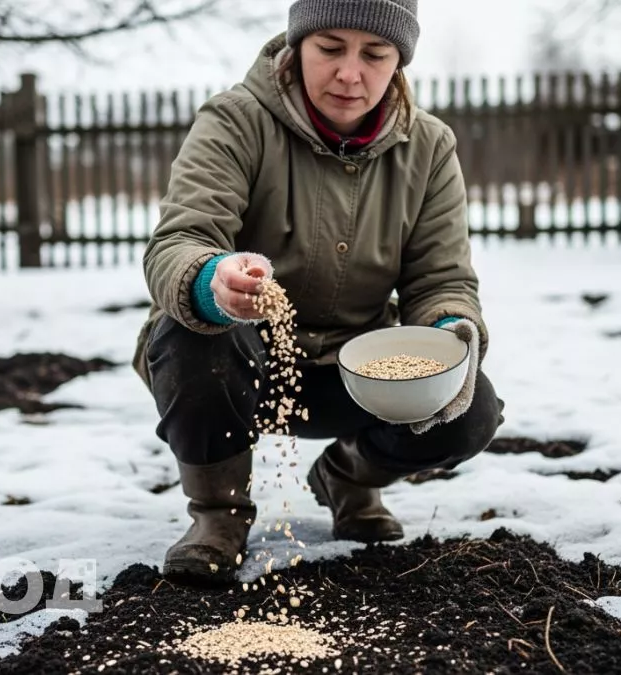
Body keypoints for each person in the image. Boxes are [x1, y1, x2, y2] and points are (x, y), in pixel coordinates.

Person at [133, 0, 504, 585]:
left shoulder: (429, 147)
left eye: (375, 54)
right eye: (330, 48)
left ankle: (347, 477)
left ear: (399, 60)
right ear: (298, 44)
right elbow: (179, 239)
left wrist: (446, 333)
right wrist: (212, 280)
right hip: (244, 361)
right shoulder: (236, 120)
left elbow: (441, 279)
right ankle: (218, 516)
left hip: (358, 375)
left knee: (470, 407)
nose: (350, 74)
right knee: (190, 337)